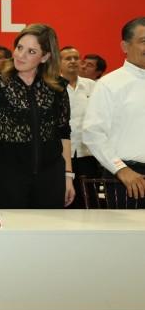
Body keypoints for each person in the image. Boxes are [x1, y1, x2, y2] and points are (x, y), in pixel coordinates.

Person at [0, 24, 74, 208]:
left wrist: (68, 176)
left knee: (50, 226)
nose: (20, 55)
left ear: (45, 57)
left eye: (31, 51)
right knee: (10, 226)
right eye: (19, 47)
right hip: (6, 176)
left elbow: (64, 133)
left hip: (50, 177)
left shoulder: (57, 87)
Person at [83, 17, 145, 204]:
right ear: (125, 46)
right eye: (143, 41)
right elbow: (93, 133)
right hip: (127, 179)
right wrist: (121, 169)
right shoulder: (109, 84)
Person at [59, 45, 99, 207]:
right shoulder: (52, 86)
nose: (73, 61)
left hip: (87, 153)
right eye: (68, 58)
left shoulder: (92, 86)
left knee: (89, 201)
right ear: (58, 63)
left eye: (76, 58)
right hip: (60, 155)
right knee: (63, 200)